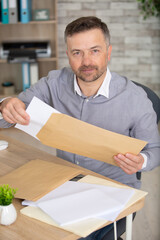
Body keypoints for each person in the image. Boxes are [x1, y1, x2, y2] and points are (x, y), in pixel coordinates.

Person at [0, 16, 160, 240]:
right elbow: (7, 119)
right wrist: (5, 105)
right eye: (77, 52)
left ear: (108, 52)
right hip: (63, 181)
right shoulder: (53, 83)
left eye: (94, 50)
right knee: (17, 221)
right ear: (68, 54)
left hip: (112, 189)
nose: (86, 61)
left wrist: (141, 161)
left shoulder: (136, 100)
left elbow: (155, 150)